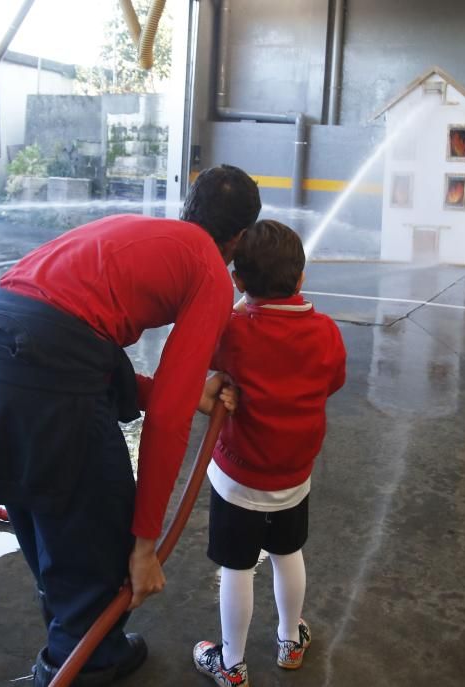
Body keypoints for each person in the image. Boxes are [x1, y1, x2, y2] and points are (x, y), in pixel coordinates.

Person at [0, 165, 262, 687]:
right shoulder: (208, 269)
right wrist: (145, 544)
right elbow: (170, 420)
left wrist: (162, 390)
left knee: (46, 518)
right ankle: (77, 666)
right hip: (47, 390)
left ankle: (88, 646)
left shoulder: (129, 230)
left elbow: (80, 339)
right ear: (238, 238)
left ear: (187, 207)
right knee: (104, 541)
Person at [192, 220, 347, 687]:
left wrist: (240, 307)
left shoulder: (234, 331)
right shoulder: (325, 332)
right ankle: (289, 640)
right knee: (287, 553)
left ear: (239, 282)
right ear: (300, 279)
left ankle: (232, 664)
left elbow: (205, 360)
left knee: (237, 568)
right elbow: (333, 383)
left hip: (237, 478)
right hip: (293, 476)